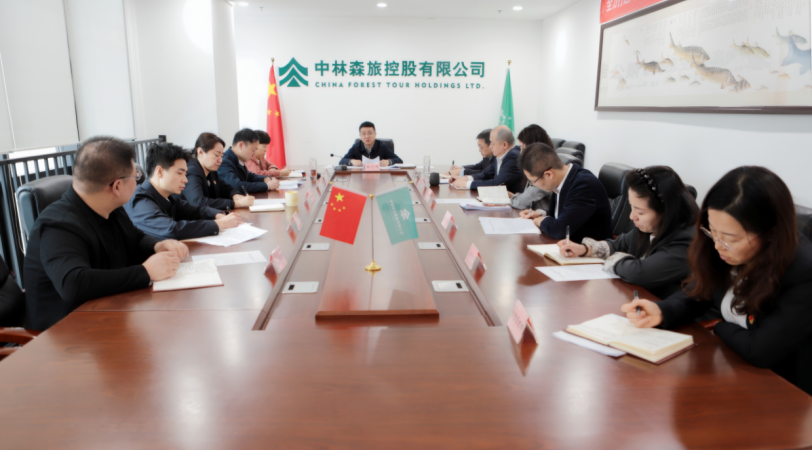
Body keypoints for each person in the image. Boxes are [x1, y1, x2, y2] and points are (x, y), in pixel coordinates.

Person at [622, 166, 812, 395]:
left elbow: (761, 350)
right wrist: (662, 310)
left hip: (781, 389)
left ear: (770, 233)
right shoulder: (722, 247)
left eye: (730, 238)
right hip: (730, 367)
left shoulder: (803, 272)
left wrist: (719, 327)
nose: (717, 246)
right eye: (712, 232)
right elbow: (700, 291)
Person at [24, 136, 188, 331]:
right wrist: (145, 272)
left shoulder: (111, 207)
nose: (138, 183)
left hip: (109, 312)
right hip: (66, 334)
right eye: (135, 177)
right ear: (117, 187)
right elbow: (73, 284)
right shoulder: (58, 225)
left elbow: (134, 238)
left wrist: (157, 245)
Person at [558, 166, 698, 299]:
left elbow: (639, 273)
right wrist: (584, 249)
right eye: (632, 207)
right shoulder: (651, 226)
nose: (632, 216)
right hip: (635, 298)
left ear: (666, 211)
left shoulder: (686, 240)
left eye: (640, 212)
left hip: (660, 308)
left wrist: (615, 260)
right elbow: (620, 244)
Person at [126, 141, 242, 240]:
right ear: (159, 171)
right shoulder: (140, 200)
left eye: (185, 174)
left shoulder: (168, 198)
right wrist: (218, 224)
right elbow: (172, 230)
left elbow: (196, 210)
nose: (185, 180)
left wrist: (218, 215)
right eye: (180, 173)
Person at [518, 143, 612, 241]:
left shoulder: (584, 185)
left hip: (585, 247)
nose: (534, 185)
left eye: (533, 181)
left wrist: (541, 221)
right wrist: (541, 214)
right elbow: (567, 213)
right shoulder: (563, 180)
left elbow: (560, 230)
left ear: (549, 175)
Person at [182, 132, 255, 210]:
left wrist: (235, 195)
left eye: (221, 156)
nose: (220, 160)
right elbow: (199, 202)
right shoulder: (191, 171)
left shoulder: (211, 170)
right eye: (216, 155)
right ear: (200, 152)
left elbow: (226, 188)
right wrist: (236, 203)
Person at [449, 125, 524, 193]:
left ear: (504, 145)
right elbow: (486, 174)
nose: (490, 147)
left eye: (492, 143)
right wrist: (466, 179)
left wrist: (466, 184)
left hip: (512, 202)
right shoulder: (500, 154)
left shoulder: (514, 156)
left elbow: (498, 184)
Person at [218, 129, 280, 193]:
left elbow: (249, 176)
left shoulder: (238, 158)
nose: (254, 154)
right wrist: (267, 186)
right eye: (253, 150)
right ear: (241, 145)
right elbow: (236, 185)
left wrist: (264, 178)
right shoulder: (224, 162)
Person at [510, 124, 554, 212]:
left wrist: (514, 197)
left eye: (523, 148)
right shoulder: (535, 165)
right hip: (535, 214)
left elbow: (520, 202)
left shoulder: (545, 169)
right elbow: (526, 196)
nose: (521, 153)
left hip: (542, 217)